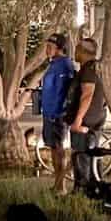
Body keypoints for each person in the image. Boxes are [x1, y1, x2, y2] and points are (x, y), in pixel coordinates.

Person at [38, 32, 77, 194]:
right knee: (53, 148)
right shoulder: (53, 64)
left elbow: (66, 91)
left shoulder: (65, 66)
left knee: (59, 149)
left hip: (57, 115)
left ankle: (61, 186)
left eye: (50, 47)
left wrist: (60, 111)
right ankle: (57, 183)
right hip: (48, 113)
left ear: (60, 48)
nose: (47, 49)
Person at [66, 36, 107, 191]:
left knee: (81, 155)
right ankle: (94, 188)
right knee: (91, 154)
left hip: (86, 120)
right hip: (93, 117)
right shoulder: (91, 68)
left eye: (77, 49)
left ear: (83, 52)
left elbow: (87, 95)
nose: (75, 52)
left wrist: (78, 120)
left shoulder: (89, 70)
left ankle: (83, 190)